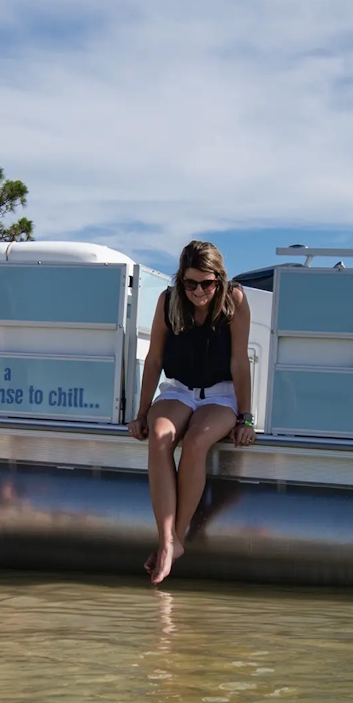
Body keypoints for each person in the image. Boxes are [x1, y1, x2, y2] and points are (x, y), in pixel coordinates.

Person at [128, 240, 256, 584]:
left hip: (221, 395)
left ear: (219, 279)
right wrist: (141, 412)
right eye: (190, 283)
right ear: (180, 279)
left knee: (197, 441)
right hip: (179, 390)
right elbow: (155, 359)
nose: (198, 291)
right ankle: (167, 541)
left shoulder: (235, 300)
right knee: (159, 436)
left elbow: (239, 362)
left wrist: (245, 418)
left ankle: (173, 541)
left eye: (207, 283)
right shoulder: (168, 301)